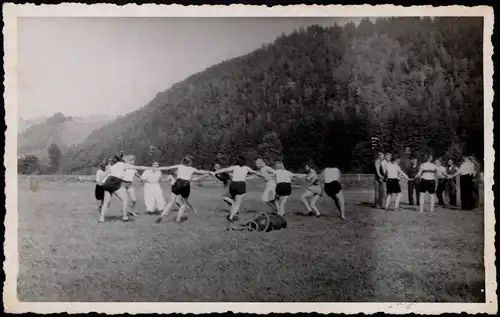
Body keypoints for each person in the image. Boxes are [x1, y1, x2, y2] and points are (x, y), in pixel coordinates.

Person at [156, 155, 212, 223]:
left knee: (171, 202)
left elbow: (168, 167)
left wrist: (156, 168)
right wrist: (210, 172)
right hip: (185, 184)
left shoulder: (179, 166)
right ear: (190, 162)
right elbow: (202, 171)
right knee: (183, 204)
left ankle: (162, 215)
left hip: (178, 182)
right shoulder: (192, 169)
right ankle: (178, 219)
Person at [98, 154, 153, 223]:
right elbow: (139, 167)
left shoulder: (114, 165)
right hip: (115, 182)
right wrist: (150, 168)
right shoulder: (124, 165)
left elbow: (105, 173)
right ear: (122, 160)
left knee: (106, 202)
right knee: (125, 200)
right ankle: (124, 217)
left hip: (108, 182)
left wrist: (100, 181)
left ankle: (101, 218)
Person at [213, 156, 264, 221]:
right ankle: (231, 217)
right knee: (237, 203)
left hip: (233, 184)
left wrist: (215, 172)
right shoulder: (246, 168)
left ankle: (232, 212)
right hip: (241, 184)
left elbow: (224, 170)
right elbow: (255, 172)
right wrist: (261, 175)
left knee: (233, 200)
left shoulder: (234, 167)